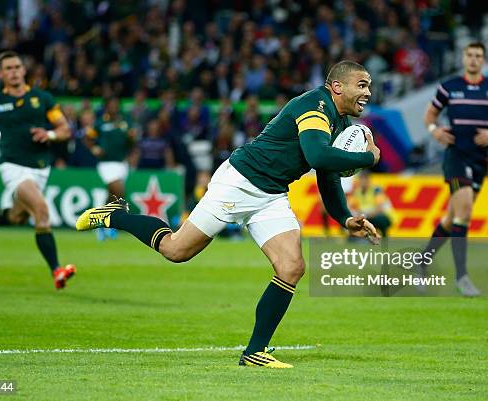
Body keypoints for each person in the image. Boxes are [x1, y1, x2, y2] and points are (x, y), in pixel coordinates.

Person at [76, 61, 382, 368]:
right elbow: (317, 155)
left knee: (291, 267)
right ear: (337, 87)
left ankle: (255, 352)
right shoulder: (313, 105)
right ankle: (115, 215)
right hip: (239, 182)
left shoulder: (340, 123)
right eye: (362, 84)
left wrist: (344, 218)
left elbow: (327, 174)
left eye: (368, 85)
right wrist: (368, 157)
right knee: (175, 250)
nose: (368, 92)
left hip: (272, 194)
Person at [0, 51, 76, 290]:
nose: (13, 72)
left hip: (40, 169)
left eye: (17, 67)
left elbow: (64, 129)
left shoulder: (42, 99)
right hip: (13, 166)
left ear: (24, 70)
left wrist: (50, 134)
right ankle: (57, 271)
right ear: (1, 74)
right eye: (8, 69)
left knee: (18, 217)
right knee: (42, 211)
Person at [422, 42, 488, 296]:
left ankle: (420, 262)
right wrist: (435, 131)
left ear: (484, 60)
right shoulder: (449, 87)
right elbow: (429, 117)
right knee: (465, 211)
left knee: (453, 219)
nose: (474, 60)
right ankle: (462, 277)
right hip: (456, 157)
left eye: (478, 56)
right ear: (463, 58)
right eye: (470, 55)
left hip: (480, 160)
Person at [85, 96, 136, 240]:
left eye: (116, 104)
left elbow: (131, 141)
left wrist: (132, 139)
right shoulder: (100, 122)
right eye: (111, 104)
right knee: (119, 190)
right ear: (106, 107)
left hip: (121, 162)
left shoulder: (125, 121)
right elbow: (88, 137)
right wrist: (94, 148)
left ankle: (101, 224)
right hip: (106, 163)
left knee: (114, 195)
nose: (114, 107)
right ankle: (110, 224)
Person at [348, 170, 393, 239]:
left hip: (380, 215)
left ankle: (384, 236)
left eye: (364, 179)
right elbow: (351, 207)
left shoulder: (376, 190)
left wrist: (364, 216)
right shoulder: (357, 191)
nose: (362, 181)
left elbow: (380, 209)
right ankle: (354, 238)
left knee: (381, 220)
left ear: (368, 179)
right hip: (365, 215)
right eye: (361, 179)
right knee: (350, 220)